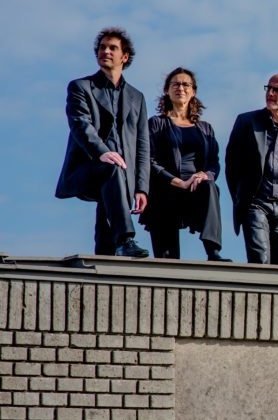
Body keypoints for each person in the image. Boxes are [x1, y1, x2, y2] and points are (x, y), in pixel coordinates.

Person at [56, 27, 149, 257]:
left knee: (109, 205)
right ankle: (126, 239)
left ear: (124, 56)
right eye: (102, 47)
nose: (105, 51)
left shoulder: (137, 97)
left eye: (112, 48)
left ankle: (106, 256)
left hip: (123, 175)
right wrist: (101, 152)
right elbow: (80, 124)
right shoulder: (80, 87)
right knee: (112, 168)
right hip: (91, 166)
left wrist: (141, 187)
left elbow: (142, 145)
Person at [139, 68, 228, 261]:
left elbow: (214, 163)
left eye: (186, 84)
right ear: (167, 90)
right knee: (167, 261)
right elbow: (149, 160)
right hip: (165, 190)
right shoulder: (156, 124)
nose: (181, 88)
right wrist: (178, 182)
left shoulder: (205, 128)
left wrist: (205, 175)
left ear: (193, 91)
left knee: (210, 187)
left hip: (195, 190)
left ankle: (213, 251)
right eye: (176, 84)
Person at [225, 73, 278, 265]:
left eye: (276, 90)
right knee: (260, 261)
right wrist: (241, 198)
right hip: (255, 203)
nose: (270, 93)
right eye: (268, 88)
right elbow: (232, 166)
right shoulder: (246, 121)